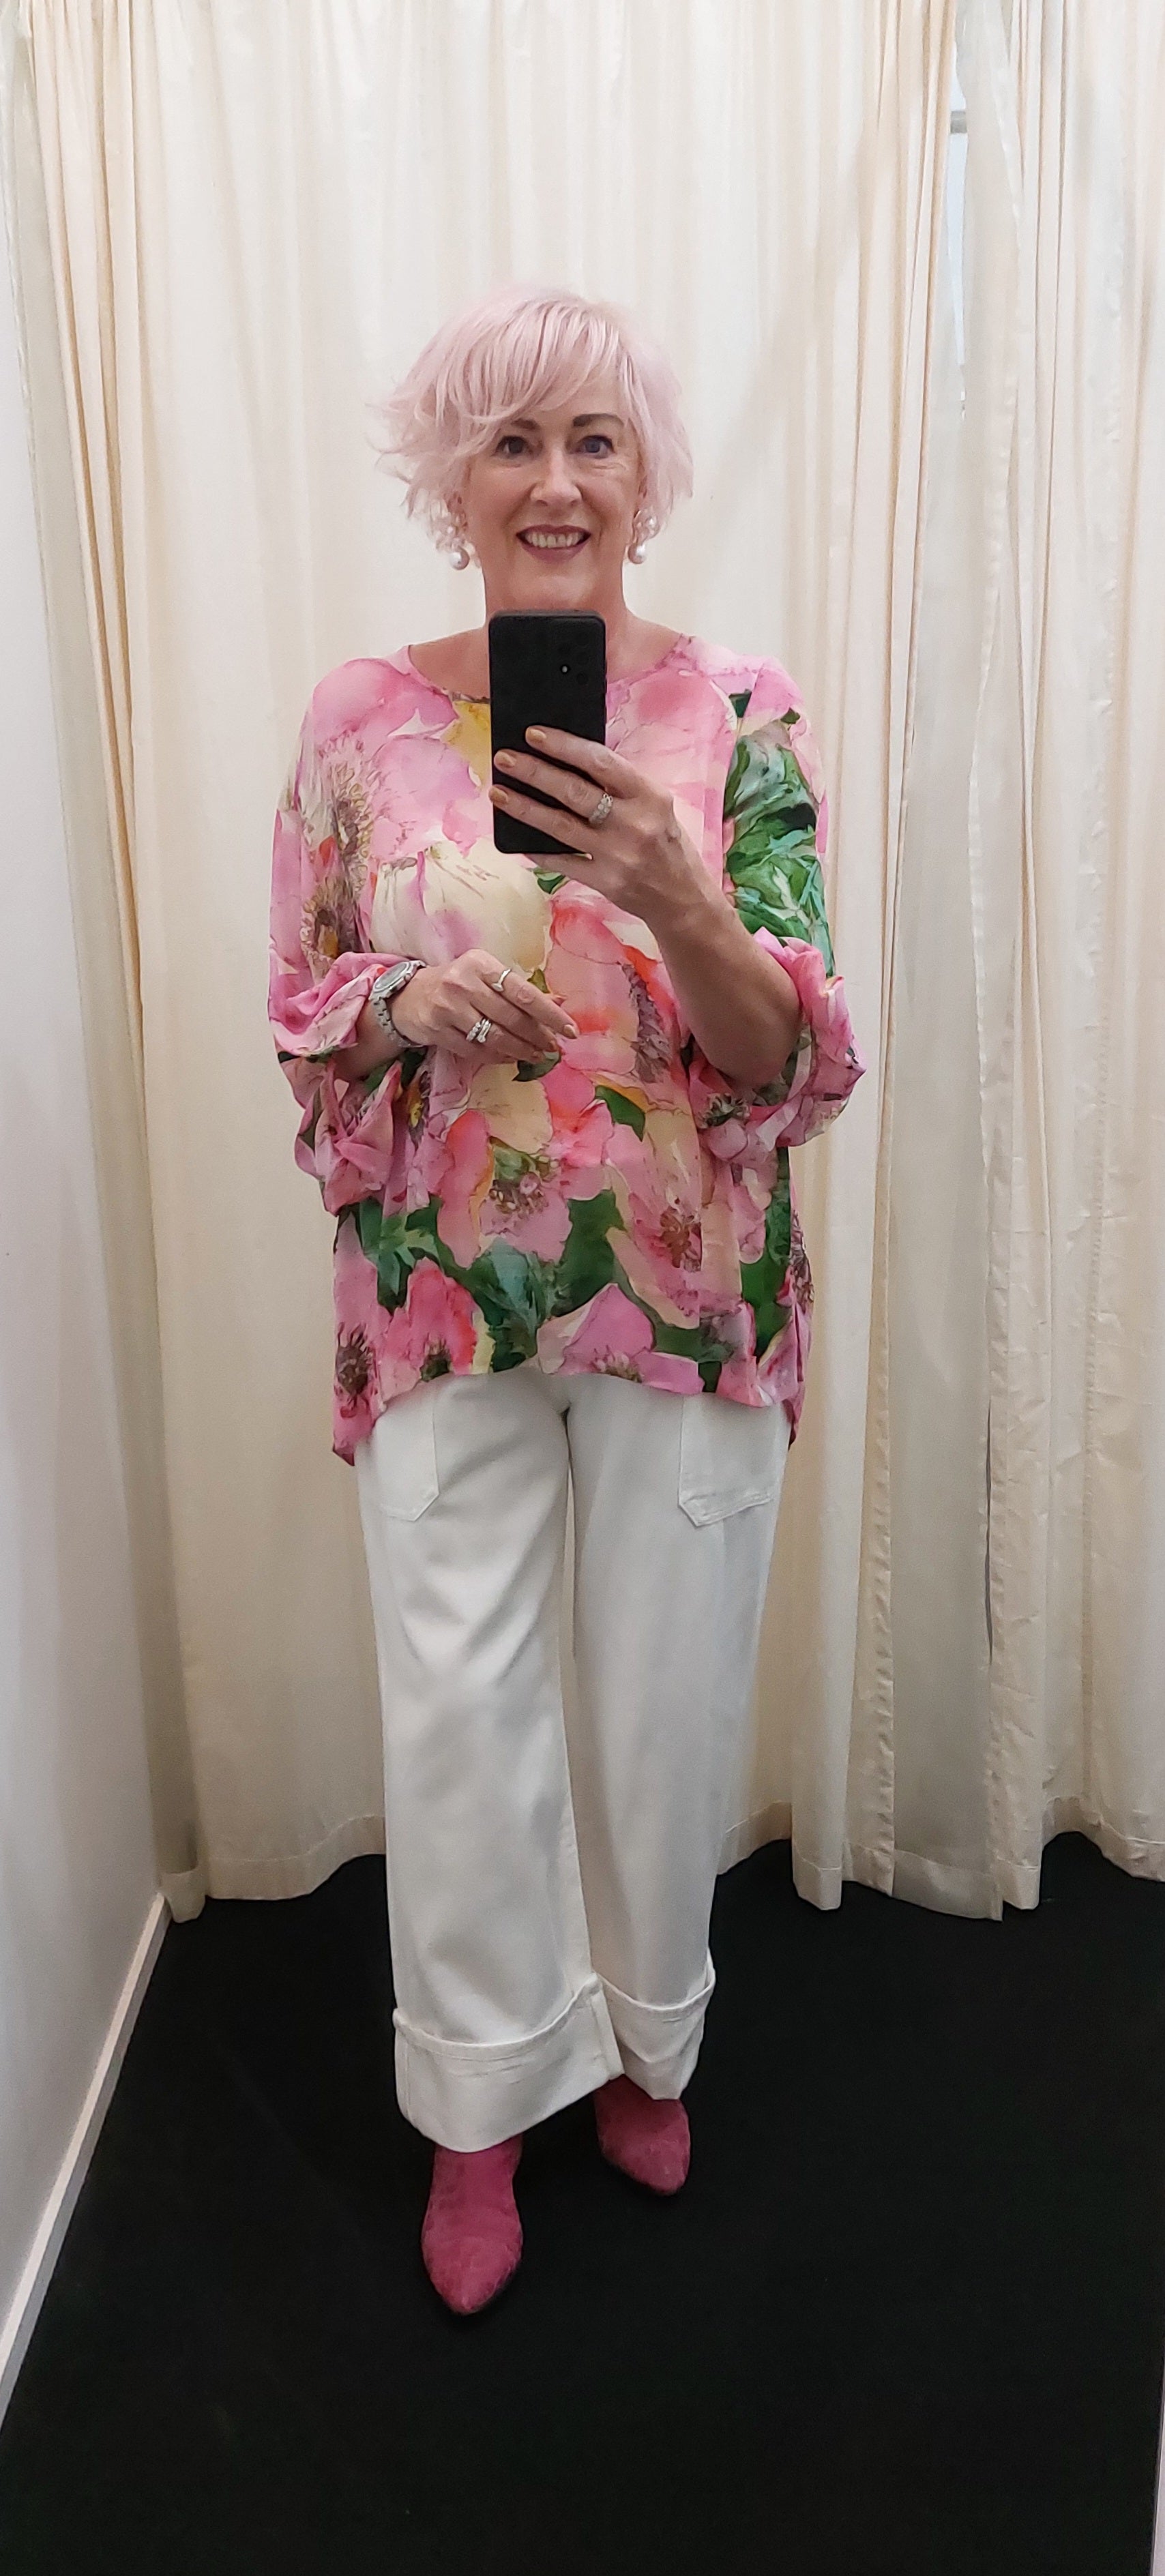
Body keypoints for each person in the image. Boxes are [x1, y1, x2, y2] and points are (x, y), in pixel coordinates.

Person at [269, 284, 863, 2315]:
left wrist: (678, 893)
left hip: (690, 1297)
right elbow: (303, 1005)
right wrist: (405, 999)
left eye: (591, 438)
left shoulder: (742, 710)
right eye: (509, 439)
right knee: (460, 1712)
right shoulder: (358, 720)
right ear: (448, 482)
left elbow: (792, 1058)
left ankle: (644, 2043)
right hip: (439, 1297)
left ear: (647, 477)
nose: (552, 480)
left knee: (664, 1702)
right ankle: (477, 2103)